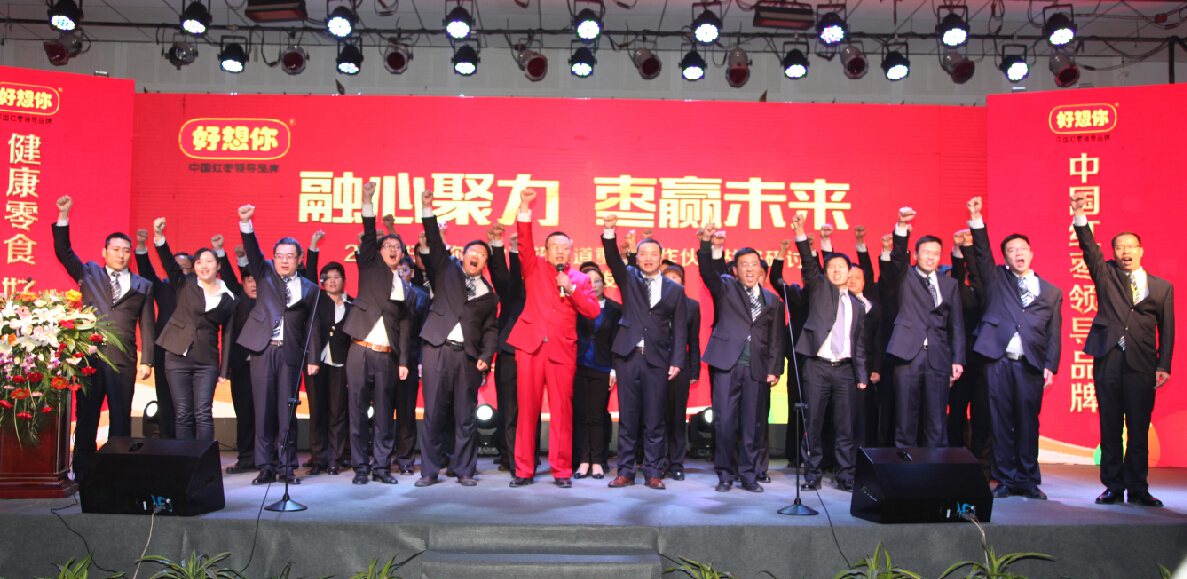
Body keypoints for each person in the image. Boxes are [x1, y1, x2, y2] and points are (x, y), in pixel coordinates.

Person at [1072, 190, 1174, 507]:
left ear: (1141, 250)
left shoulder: (1162, 287)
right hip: (1109, 359)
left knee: (1139, 428)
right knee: (1111, 426)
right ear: (1114, 252)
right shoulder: (1106, 274)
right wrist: (1080, 216)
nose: (1125, 251)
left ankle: (1138, 488)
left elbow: (1167, 329)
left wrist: (1163, 365)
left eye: (1131, 246)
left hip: (1142, 364)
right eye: (1120, 247)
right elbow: (1089, 249)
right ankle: (1114, 487)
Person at [963, 197, 1062, 500]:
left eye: (1022, 249)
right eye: (1011, 250)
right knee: (1000, 421)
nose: (1018, 253)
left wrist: (1051, 365)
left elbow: (1054, 332)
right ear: (1005, 257)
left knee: (1028, 422)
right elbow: (982, 253)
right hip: (998, 361)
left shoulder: (1051, 291)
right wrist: (977, 219)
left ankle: (1028, 479)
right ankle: (1005, 478)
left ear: (1031, 253)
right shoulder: (997, 279)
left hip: (1031, 363)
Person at [53, 195, 155, 481]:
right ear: (105, 252)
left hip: (124, 360)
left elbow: (147, 325)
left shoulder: (143, 285)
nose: (121, 255)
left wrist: (147, 360)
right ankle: (83, 470)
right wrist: (63, 216)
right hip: (90, 358)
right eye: (115, 249)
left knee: (121, 417)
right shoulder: (89, 272)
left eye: (126, 251)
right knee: (87, 415)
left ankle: (117, 471)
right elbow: (63, 251)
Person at [507, 189, 601, 488]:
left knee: (562, 412)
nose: (559, 251)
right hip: (530, 348)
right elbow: (523, 242)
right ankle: (524, 470)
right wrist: (524, 206)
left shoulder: (580, 279)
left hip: (562, 350)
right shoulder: (533, 267)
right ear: (546, 251)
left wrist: (570, 290)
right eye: (554, 247)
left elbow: (593, 311)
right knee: (527, 410)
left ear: (571, 252)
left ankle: (561, 471)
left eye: (564, 247)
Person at [415, 190, 500, 487]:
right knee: (433, 413)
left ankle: (464, 470)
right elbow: (434, 242)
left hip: (466, 357)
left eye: (482, 254)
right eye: (472, 252)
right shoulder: (446, 270)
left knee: (465, 416)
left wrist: (486, 357)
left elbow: (491, 330)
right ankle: (429, 471)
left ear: (486, 262)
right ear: (462, 256)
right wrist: (427, 209)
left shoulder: (489, 295)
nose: (476, 256)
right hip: (436, 349)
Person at [600, 214, 689, 490]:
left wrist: (677, 361)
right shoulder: (628, 278)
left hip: (658, 360)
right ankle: (625, 472)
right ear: (636, 258)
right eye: (643, 254)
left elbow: (681, 328)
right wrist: (609, 230)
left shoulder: (675, 290)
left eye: (653, 254)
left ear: (661, 258)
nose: (648, 258)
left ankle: (653, 472)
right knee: (628, 418)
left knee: (654, 419)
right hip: (628, 357)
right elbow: (613, 258)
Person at [235, 204, 321, 485]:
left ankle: (286, 467)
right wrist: (246, 223)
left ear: (299, 259)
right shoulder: (265, 274)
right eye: (279, 256)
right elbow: (252, 250)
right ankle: (265, 466)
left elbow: (313, 326)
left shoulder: (310, 289)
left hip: (291, 355)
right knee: (262, 412)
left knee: (287, 412)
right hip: (263, 350)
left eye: (290, 256)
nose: (284, 261)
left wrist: (313, 358)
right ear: (273, 259)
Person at [697, 222, 784, 493]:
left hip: (757, 368)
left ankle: (748, 475)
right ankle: (724, 474)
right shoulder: (726, 287)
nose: (749, 269)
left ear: (760, 269)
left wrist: (774, 369)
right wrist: (710, 244)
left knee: (752, 425)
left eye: (754, 264)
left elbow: (776, 338)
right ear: (735, 269)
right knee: (724, 422)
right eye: (743, 265)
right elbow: (708, 271)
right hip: (727, 364)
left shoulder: (772, 301)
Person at [791, 214, 869, 491]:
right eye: (831, 266)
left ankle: (845, 476)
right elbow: (809, 263)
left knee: (845, 427)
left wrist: (861, 375)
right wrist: (801, 233)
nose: (836, 271)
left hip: (845, 370)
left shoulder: (858, 306)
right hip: (817, 366)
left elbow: (858, 343)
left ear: (850, 273)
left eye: (841, 267)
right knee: (813, 423)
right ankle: (812, 475)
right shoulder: (819, 289)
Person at [341, 183, 412, 485]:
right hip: (359, 349)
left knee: (385, 413)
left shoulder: (407, 289)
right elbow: (369, 236)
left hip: (387, 357)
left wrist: (403, 361)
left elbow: (405, 327)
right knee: (357, 411)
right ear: (379, 252)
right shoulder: (370, 267)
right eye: (388, 246)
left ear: (402, 255)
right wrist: (368, 201)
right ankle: (360, 468)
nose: (393, 250)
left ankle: (382, 468)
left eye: (397, 248)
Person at [883, 207, 965, 448]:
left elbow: (956, 324)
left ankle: (936, 466)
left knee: (937, 419)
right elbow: (898, 256)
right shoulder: (905, 276)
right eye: (926, 252)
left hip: (939, 356)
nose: (931, 257)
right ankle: (905, 466)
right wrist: (901, 226)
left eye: (936, 254)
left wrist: (958, 359)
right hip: (908, 353)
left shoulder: (949, 284)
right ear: (916, 254)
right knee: (906, 417)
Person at [150, 218, 236, 441]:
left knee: (203, 413)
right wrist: (159, 236)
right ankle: (185, 459)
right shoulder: (184, 284)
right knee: (183, 414)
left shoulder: (228, 297)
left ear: (218, 265)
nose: (203, 266)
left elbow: (228, 334)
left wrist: (224, 370)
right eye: (199, 262)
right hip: (176, 355)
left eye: (209, 261)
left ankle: (204, 459)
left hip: (206, 359)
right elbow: (168, 262)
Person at [304, 233, 352, 476]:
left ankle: (334, 459)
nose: (332, 281)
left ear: (344, 280)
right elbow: (309, 275)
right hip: (316, 362)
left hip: (340, 364)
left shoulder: (352, 304)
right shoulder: (316, 299)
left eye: (337, 277)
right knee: (317, 411)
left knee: (337, 411)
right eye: (328, 277)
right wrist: (313, 247)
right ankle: (318, 459)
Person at [948, 229, 993, 480]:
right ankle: (954, 462)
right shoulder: (961, 293)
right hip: (962, 363)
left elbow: (980, 273)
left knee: (982, 418)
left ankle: (982, 469)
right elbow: (957, 277)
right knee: (956, 415)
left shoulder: (994, 296)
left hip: (985, 365)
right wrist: (960, 250)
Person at [572, 262, 620, 481]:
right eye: (588, 281)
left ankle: (598, 461)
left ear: (604, 283)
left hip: (603, 367)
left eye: (597, 280)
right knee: (581, 415)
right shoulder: (574, 306)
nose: (593, 285)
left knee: (598, 415)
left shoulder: (615, 309)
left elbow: (617, 342)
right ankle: (583, 461)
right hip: (578, 366)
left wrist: (614, 369)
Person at [486, 224, 527, 475]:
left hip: (533, 352)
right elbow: (502, 274)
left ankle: (526, 456)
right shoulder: (513, 289)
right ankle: (509, 457)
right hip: (509, 351)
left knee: (527, 409)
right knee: (508, 408)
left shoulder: (541, 287)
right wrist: (507, 246)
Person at [134, 229, 180, 439]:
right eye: (175, 266)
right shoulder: (164, 288)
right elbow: (147, 274)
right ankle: (167, 444)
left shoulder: (198, 290)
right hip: (164, 354)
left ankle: (189, 447)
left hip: (190, 357)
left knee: (188, 407)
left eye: (184, 268)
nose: (178, 271)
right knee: (165, 403)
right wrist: (141, 247)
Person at [219, 244, 259, 474]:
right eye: (249, 281)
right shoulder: (238, 300)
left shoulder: (270, 301)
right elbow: (228, 278)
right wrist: (222, 252)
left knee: (266, 415)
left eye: (256, 280)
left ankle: (267, 459)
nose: (253, 285)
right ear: (243, 284)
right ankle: (245, 459)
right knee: (243, 414)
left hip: (265, 367)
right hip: (242, 368)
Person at [660, 263, 700, 482]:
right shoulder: (655, 303)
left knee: (677, 416)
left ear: (683, 282)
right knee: (657, 415)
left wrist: (694, 371)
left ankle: (676, 463)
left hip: (681, 366)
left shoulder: (691, 305)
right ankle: (659, 462)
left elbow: (693, 341)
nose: (672, 280)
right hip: (656, 364)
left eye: (676, 277)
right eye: (667, 277)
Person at [395, 255, 429, 475]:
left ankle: (406, 459)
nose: (400, 274)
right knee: (383, 412)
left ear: (412, 273)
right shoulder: (381, 293)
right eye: (396, 270)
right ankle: (382, 457)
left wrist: (422, 361)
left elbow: (425, 332)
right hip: (385, 359)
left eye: (404, 270)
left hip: (411, 360)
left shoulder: (422, 297)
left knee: (407, 412)